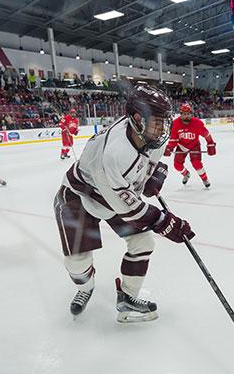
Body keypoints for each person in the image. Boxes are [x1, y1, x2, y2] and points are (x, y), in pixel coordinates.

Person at [53, 85, 194, 322]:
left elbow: (151, 164)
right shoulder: (114, 154)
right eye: (157, 121)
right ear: (138, 119)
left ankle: (127, 299)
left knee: (143, 242)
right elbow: (128, 208)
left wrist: (154, 175)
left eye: (164, 121)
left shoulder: (151, 135)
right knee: (77, 263)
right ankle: (85, 287)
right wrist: (163, 221)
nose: (162, 128)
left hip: (114, 194)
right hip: (80, 195)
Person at [164, 103, 216, 189]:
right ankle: (186, 174)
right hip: (181, 146)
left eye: (188, 114)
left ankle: (205, 179)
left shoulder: (197, 123)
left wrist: (210, 143)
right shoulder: (175, 124)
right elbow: (173, 139)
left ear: (191, 114)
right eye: (184, 114)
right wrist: (170, 147)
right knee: (177, 165)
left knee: (196, 163)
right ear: (180, 114)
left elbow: (206, 134)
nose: (186, 116)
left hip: (194, 145)